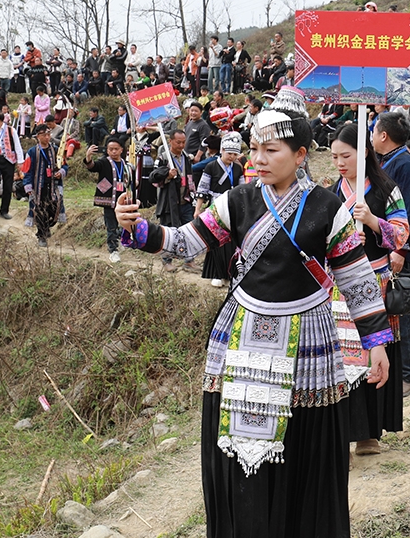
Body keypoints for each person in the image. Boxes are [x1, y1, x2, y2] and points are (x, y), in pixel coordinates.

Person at [114, 106, 390, 538]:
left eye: (270, 150)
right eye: (254, 149)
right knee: (240, 450)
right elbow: (187, 240)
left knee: (304, 448)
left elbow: (356, 279)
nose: (257, 159)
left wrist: (376, 343)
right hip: (243, 340)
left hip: (308, 348)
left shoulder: (327, 207)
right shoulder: (237, 200)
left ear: (300, 155)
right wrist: (141, 229)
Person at [328, 123, 409, 456]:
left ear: (363, 153)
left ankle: (369, 434)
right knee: (344, 359)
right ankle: (343, 431)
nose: (339, 163)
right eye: (334, 157)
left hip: (376, 280)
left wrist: (374, 223)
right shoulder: (333, 192)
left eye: (345, 156)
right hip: (341, 288)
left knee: (373, 354)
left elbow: (402, 235)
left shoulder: (385, 188)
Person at [373, 111, 410, 397]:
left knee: (402, 314)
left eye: (373, 131)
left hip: (399, 253)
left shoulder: (405, 165)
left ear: (383, 135)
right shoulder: (388, 162)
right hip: (387, 250)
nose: (371, 137)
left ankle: (409, 376)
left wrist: (402, 249)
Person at [195, 132, 244, 287]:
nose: (232, 157)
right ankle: (217, 273)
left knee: (232, 241)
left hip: (232, 207)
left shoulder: (238, 168)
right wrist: (198, 209)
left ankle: (230, 274)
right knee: (216, 240)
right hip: (214, 207)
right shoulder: (211, 166)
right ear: (222, 150)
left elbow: (242, 190)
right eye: (229, 153)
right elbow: (202, 189)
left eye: (235, 154)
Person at [151, 129, 198, 272]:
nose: (181, 145)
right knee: (168, 233)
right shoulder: (164, 158)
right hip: (169, 203)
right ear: (170, 141)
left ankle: (189, 260)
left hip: (186, 201)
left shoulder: (186, 158)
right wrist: (167, 176)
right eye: (178, 142)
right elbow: (153, 179)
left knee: (190, 231)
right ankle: (167, 261)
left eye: (184, 142)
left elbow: (190, 179)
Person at [85, 137, 132, 263]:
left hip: (122, 200)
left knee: (123, 223)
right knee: (111, 226)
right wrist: (88, 156)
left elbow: (130, 180)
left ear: (121, 149)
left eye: (116, 149)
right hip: (108, 200)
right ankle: (113, 251)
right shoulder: (104, 162)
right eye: (110, 149)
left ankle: (122, 243)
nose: (113, 152)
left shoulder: (126, 164)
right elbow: (92, 166)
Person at [23, 124, 68, 247]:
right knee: (40, 210)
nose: (47, 137)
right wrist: (27, 185)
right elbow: (27, 170)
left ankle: (47, 227)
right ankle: (41, 235)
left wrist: (61, 172)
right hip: (38, 187)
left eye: (48, 134)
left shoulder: (56, 149)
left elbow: (64, 164)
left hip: (53, 186)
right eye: (44, 135)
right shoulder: (32, 152)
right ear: (38, 137)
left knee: (55, 209)